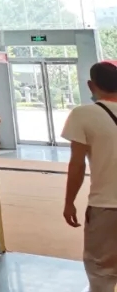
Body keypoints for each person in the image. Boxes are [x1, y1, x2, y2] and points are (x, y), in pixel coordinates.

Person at [63, 61, 117, 292]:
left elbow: (77, 165)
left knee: (101, 270)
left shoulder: (82, 114)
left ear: (90, 85)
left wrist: (69, 202)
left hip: (105, 206)